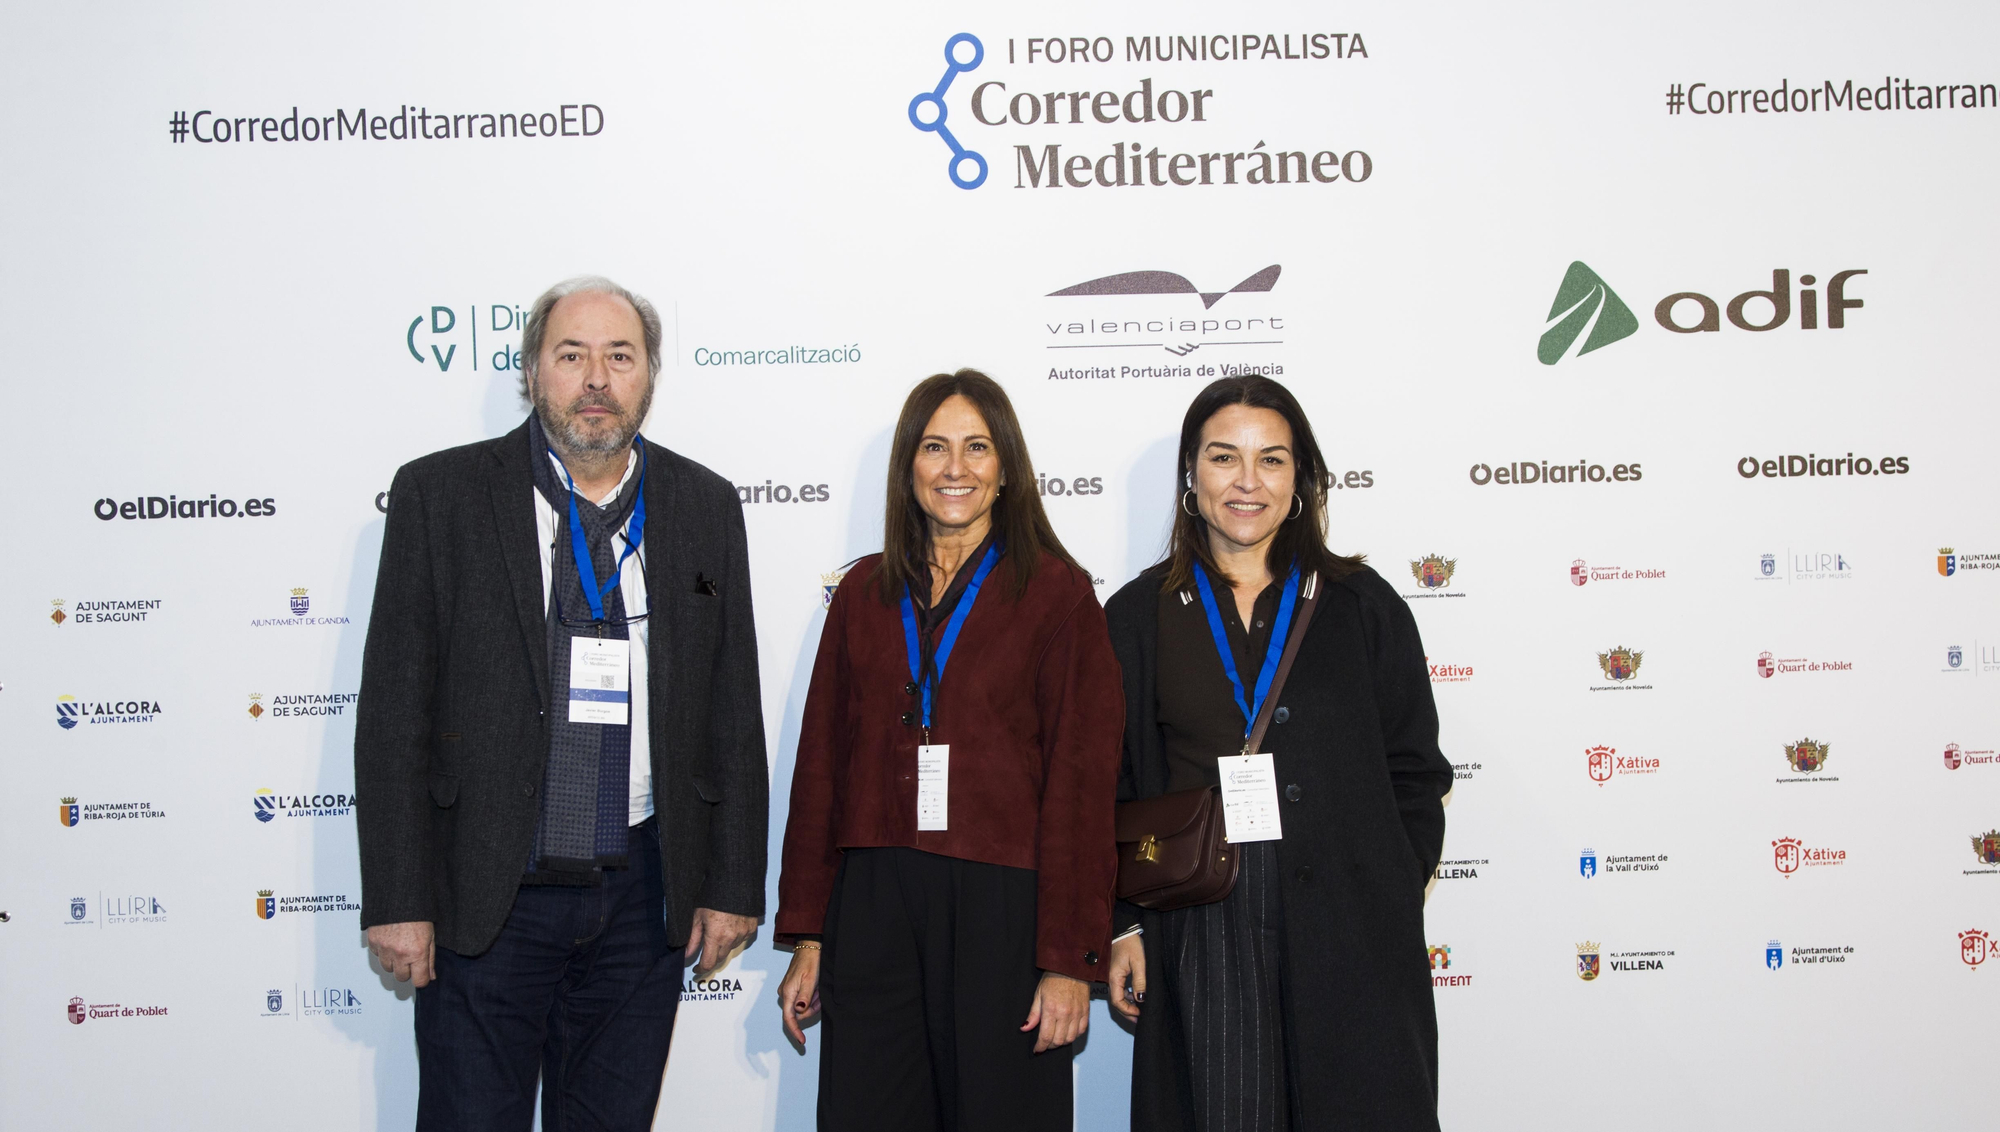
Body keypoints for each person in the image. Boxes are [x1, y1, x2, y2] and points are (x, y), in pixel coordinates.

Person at [354, 275, 769, 1132]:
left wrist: (731, 883)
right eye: (571, 355)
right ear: (532, 372)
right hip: (489, 893)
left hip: (642, 891)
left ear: (649, 375)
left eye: (619, 357)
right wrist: (398, 896)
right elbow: (395, 713)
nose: (595, 379)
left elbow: (732, 710)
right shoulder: (442, 497)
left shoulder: (703, 505)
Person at [773, 369, 1123, 1132]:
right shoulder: (863, 593)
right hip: (872, 906)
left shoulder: (1058, 595)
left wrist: (1067, 959)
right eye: (934, 447)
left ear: (1007, 470)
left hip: (1004, 910)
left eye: (977, 447)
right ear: (908, 466)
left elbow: (1082, 788)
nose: (955, 468)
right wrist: (809, 932)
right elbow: (820, 771)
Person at [1104, 375, 1452, 1132]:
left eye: (1273, 460)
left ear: (1301, 480)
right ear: (1192, 476)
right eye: (1225, 458)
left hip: (1351, 927)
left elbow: (1416, 771)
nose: (1248, 482)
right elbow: (1109, 787)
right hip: (1203, 921)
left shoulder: (1363, 605)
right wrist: (1123, 923)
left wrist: (1390, 882)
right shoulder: (1138, 615)